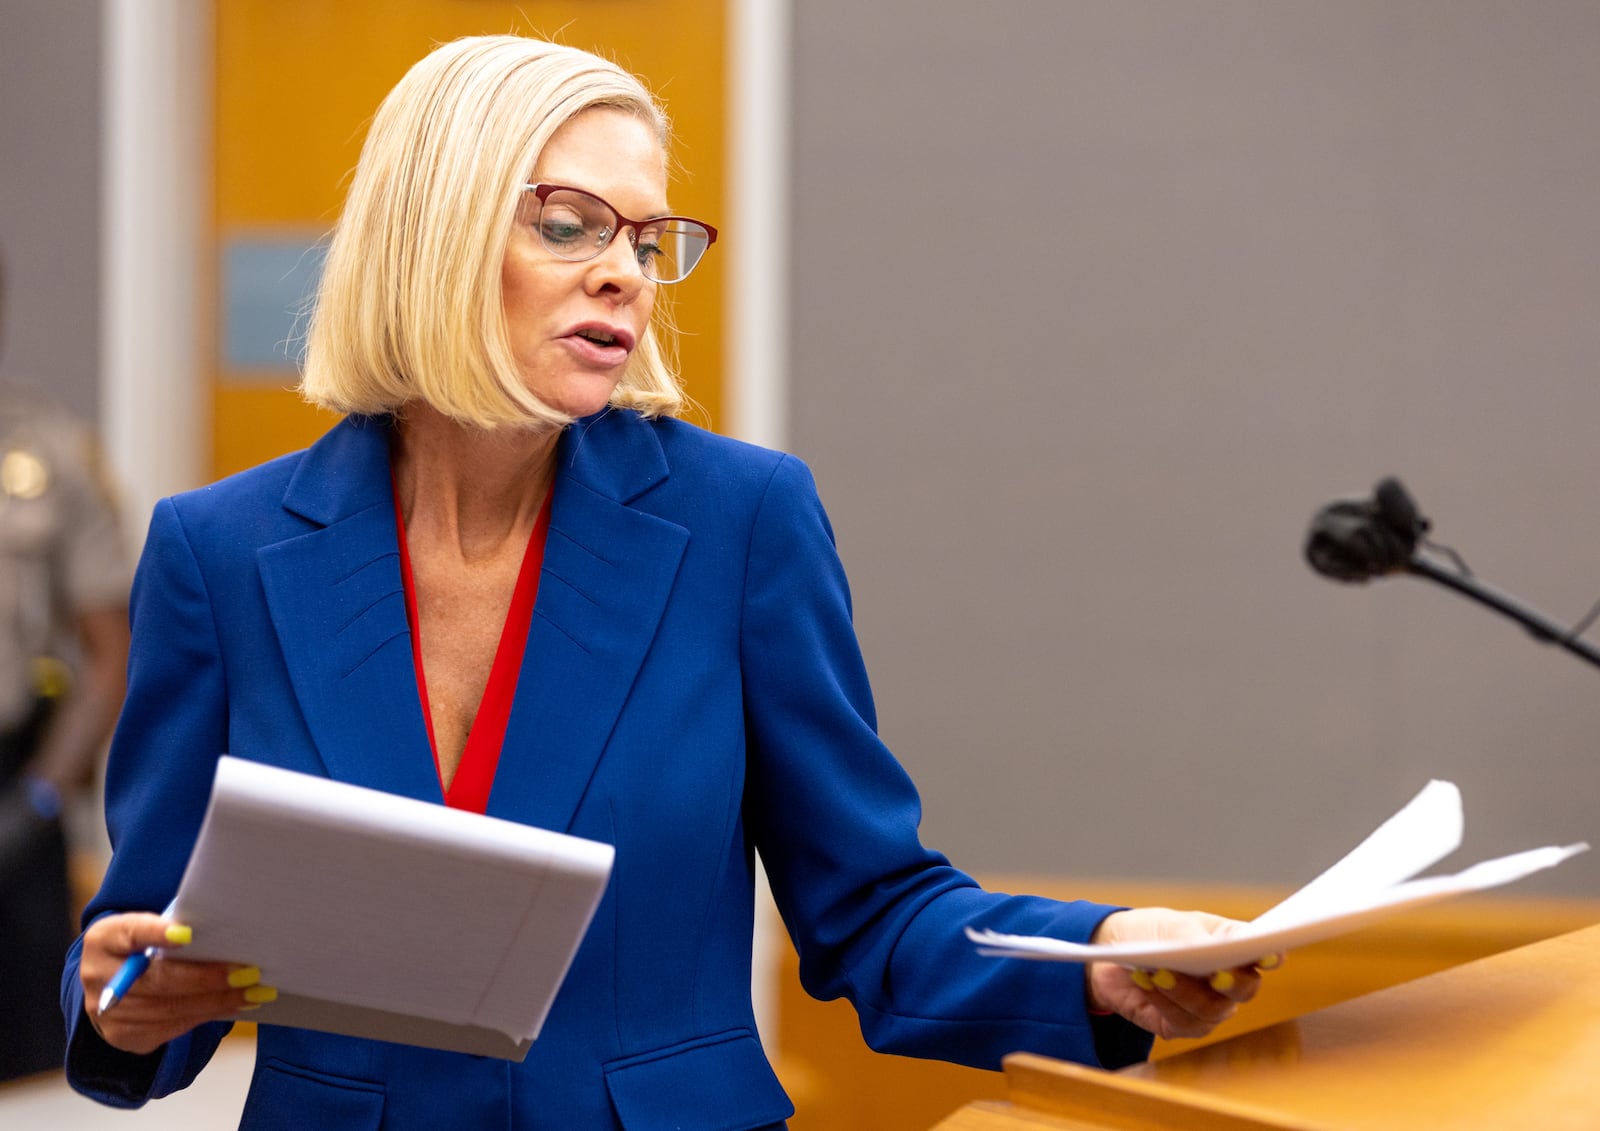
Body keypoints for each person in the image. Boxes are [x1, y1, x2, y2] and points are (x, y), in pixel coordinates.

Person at [62, 35, 1269, 1128]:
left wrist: (1103, 954)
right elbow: (152, 938)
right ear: (432, 230)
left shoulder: (741, 520)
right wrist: (120, 1000)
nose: (626, 274)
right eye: (571, 223)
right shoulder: (216, 551)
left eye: (649, 240)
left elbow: (875, 910)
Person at [0, 252, 132, 1082]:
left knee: (29, 1064)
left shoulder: (46, 453)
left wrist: (41, 796)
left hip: (14, 794)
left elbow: (110, 651)